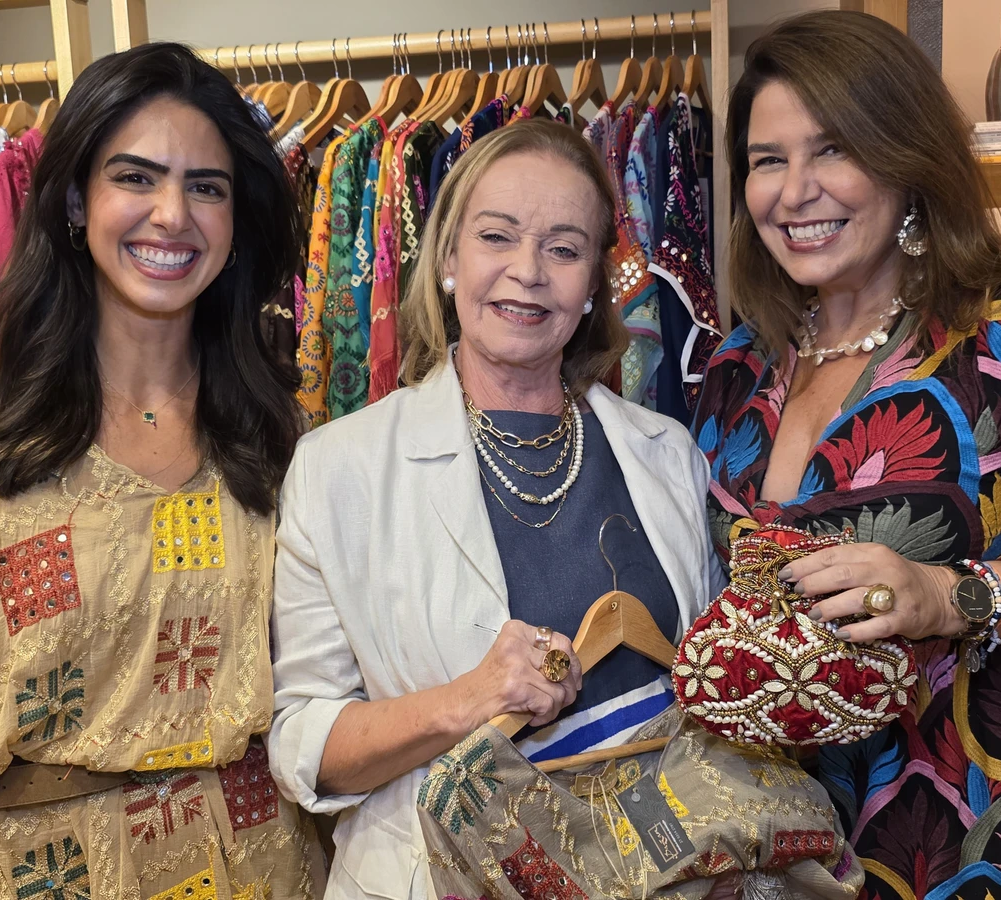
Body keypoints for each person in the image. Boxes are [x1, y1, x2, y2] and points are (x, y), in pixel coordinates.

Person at [693, 10, 1001, 900]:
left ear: (906, 155)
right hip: (784, 842)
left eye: (834, 150)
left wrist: (951, 594)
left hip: (993, 826)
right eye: (769, 160)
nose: (795, 191)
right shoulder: (740, 364)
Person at [267, 119, 724, 899]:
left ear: (592, 286)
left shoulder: (667, 454)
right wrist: (467, 702)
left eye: (564, 247)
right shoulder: (338, 468)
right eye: (497, 236)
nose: (528, 272)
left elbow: (706, 702)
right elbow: (303, 742)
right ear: (448, 258)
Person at [0, 43, 327, 899]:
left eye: (206, 187)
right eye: (136, 178)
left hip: (258, 860)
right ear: (76, 200)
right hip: (40, 868)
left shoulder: (282, 426)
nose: (172, 214)